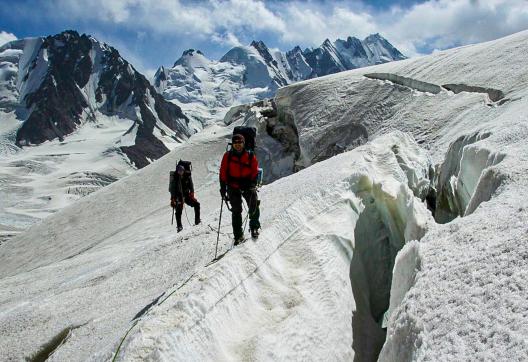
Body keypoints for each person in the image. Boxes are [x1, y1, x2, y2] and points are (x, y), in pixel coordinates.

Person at [219, 133, 261, 244]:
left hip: (247, 184)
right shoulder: (227, 156)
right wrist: (223, 188)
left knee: (253, 204)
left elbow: (254, 170)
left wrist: (252, 183)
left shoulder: (250, 156)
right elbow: (223, 172)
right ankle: (238, 235)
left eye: (240, 142)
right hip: (233, 186)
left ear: (244, 143)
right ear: (232, 144)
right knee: (236, 210)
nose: (237, 145)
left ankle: (254, 227)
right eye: (235, 142)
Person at [170, 165, 200, 232]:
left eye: (182, 171)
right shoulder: (175, 179)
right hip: (178, 197)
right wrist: (173, 199)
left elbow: (191, 186)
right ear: (177, 171)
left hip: (186, 196)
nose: (180, 172)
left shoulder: (187, 177)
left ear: (183, 171)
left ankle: (197, 221)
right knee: (178, 212)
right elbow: (172, 190)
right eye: (179, 171)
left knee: (197, 204)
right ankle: (179, 226)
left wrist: (192, 195)